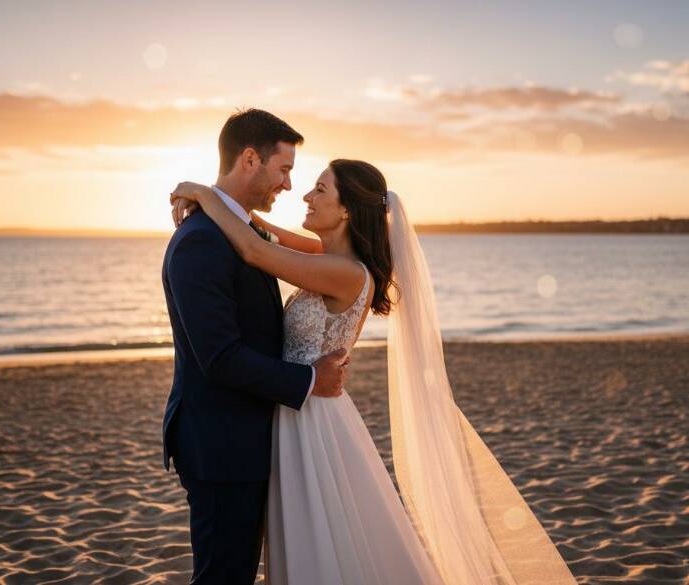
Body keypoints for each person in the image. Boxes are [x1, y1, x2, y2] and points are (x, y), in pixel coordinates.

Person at [170, 154, 578, 584]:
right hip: (300, 406)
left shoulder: (346, 273)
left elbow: (254, 250)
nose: (306, 195)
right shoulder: (330, 257)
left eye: (320, 189)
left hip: (312, 417)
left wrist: (202, 192)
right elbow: (267, 235)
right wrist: (230, 208)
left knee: (322, 540)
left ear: (346, 209)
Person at [161, 109, 349, 585]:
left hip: (253, 437)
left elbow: (264, 247)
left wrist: (201, 190)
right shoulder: (201, 241)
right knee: (224, 575)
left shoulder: (242, 233)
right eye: (284, 169)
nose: (289, 185)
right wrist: (310, 379)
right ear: (250, 159)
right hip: (221, 444)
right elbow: (219, 357)